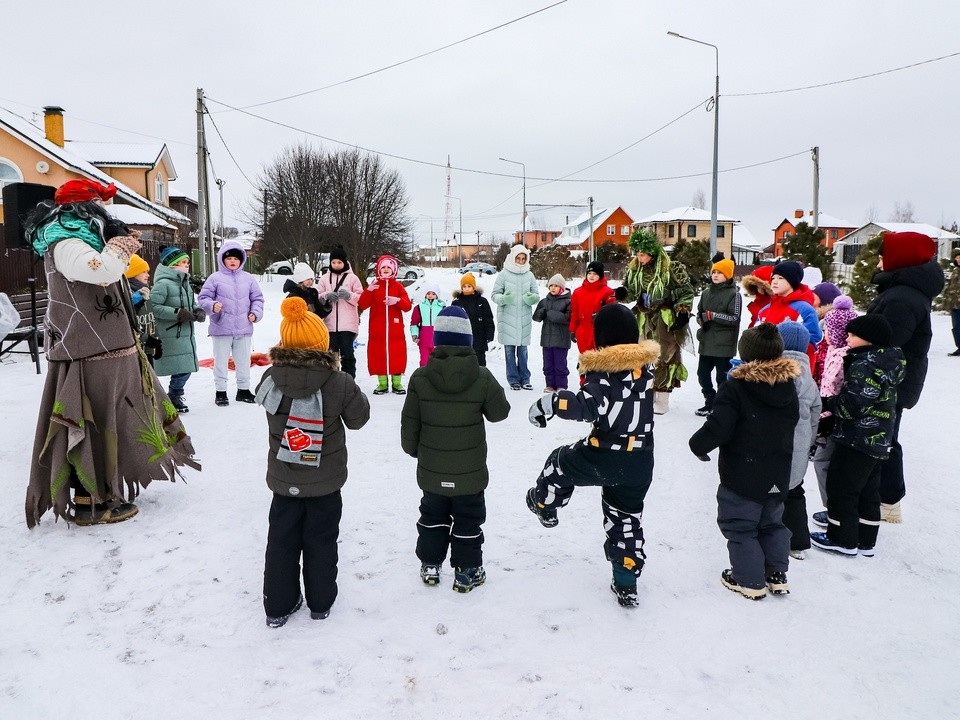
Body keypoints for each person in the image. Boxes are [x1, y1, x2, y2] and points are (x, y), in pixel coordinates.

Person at [24, 179, 198, 527]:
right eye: (99, 209)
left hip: (109, 350)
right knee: (94, 426)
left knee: (114, 424)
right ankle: (92, 501)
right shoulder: (66, 242)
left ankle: (107, 491)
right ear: (84, 210)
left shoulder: (82, 239)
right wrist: (120, 242)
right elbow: (102, 272)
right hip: (88, 355)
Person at [526, 303, 659, 608]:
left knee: (560, 462)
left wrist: (551, 404)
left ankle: (545, 502)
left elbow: (587, 407)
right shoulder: (645, 371)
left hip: (604, 455)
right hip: (640, 460)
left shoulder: (604, 373)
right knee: (625, 520)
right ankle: (626, 582)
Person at [256, 297, 370, 627]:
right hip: (325, 482)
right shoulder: (338, 383)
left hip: (283, 480)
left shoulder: (270, 379)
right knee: (321, 542)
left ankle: (278, 606)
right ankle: (321, 602)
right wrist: (347, 386)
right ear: (323, 344)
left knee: (280, 542)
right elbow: (359, 419)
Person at [400, 306, 510, 592]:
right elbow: (500, 413)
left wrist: (414, 450)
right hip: (469, 472)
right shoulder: (482, 376)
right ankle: (467, 569)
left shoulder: (420, 377)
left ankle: (430, 564)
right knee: (468, 519)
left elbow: (410, 422)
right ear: (468, 341)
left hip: (432, 469)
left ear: (436, 340)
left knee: (432, 516)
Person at [689, 323, 800, 600]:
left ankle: (748, 580)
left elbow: (719, 426)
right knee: (772, 523)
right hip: (777, 473)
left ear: (746, 353)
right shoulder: (787, 387)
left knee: (740, 525)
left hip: (742, 475)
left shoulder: (736, 387)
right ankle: (776, 574)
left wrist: (698, 444)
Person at [810, 314, 904, 556]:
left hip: (857, 438)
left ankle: (841, 538)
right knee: (868, 489)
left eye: (852, 335)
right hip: (879, 438)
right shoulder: (888, 361)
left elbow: (854, 404)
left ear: (868, 339)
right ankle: (866, 539)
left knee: (842, 486)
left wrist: (828, 403)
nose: (847, 339)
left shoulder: (865, 364)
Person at [866, 231, 943, 522]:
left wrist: (855, 330)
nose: (879, 259)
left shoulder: (902, 297)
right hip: (893, 379)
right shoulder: (902, 291)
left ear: (901, 258)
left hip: (890, 381)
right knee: (883, 437)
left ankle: (887, 501)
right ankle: (884, 499)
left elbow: (889, 338)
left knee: (882, 439)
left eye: (884, 254)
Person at [617, 228, 695, 414]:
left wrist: (683, 309)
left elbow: (686, 290)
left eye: (642, 254)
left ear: (651, 252)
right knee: (643, 354)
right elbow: (631, 292)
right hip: (644, 315)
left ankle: (662, 397)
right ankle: (646, 392)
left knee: (665, 355)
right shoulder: (634, 269)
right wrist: (622, 294)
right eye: (637, 253)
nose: (639, 257)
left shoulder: (670, 267)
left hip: (664, 316)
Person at [198, 241, 264, 406]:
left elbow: (257, 299)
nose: (233, 261)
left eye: (236, 258)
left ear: (241, 260)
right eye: (229, 258)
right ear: (222, 259)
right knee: (220, 361)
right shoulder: (215, 278)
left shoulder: (248, 279)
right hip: (221, 327)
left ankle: (243, 390)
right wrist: (212, 306)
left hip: (244, 328)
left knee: (243, 361)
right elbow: (203, 298)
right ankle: (221, 392)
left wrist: (255, 314)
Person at [776, 321, 821, 560]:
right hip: (799, 446)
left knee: (771, 492)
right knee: (794, 492)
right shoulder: (810, 378)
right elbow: (816, 412)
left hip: (777, 446)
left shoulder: (777, 374)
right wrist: (808, 442)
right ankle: (799, 542)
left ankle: (769, 535)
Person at [811, 295, 859, 510]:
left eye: (828, 330)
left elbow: (834, 389)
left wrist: (825, 418)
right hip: (830, 416)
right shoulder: (833, 352)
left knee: (823, 463)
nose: (825, 334)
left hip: (834, 420)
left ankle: (834, 509)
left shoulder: (842, 357)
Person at [151, 246, 204, 413]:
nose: (187, 265)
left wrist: (197, 310)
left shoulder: (185, 282)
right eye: (183, 262)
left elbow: (190, 303)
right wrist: (177, 313)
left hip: (185, 334)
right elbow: (153, 307)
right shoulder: (162, 284)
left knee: (186, 367)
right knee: (166, 368)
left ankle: (174, 395)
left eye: (188, 262)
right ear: (172, 264)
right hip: (169, 334)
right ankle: (157, 398)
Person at [358, 254, 412, 395]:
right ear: (379, 270)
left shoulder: (398, 287)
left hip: (395, 330)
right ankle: (382, 384)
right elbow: (362, 305)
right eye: (383, 267)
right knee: (378, 355)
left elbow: (407, 306)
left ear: (394, 270)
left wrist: (397, 301)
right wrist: (368, 291)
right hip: (378, 329)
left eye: (389, 267)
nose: (386, 269)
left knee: (397, 354)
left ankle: (397, 383)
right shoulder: (374, 286)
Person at [694, 258, 742, 416]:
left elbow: (734, 318)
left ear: (728, 275)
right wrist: (701, 318)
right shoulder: (706, 292)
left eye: (719, 272)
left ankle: (721, 406)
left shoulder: (734, 295)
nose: (715, 275)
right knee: (702, 375)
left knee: (722, 379)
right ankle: (710, 401)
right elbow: (700, 312)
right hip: (706, 342)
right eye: (713, 272)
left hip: (724, 345)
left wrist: (713, 316)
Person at [756, 260, 823, 371]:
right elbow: (755, 338)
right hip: (765, 369)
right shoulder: (765, 310)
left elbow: (812, 340)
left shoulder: (804, 309)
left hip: (792, 370)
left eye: (780, 278)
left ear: (792, 281)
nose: (774, 282)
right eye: (773, 278)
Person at [491, 245, 539, 390]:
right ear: (513, 258)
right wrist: (504, 298)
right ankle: (513, 379)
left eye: (523, 259)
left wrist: (531, 299)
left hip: (523, 319)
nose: (520, 261)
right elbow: (494, 295)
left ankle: (525, 378)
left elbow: (536, 295)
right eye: (518, 258)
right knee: (509, 351)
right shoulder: (504, 274)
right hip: (507, 318)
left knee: (523, 351)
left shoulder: (529, 275)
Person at [316, 246, 363, 378]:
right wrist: (327, 295)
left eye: (339, 262)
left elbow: (361, 299)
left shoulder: (353, 278)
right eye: (334, 262)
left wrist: (349, 296)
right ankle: (332, 379)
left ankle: (349, 379)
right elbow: (318, 297)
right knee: (331, 354)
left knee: (347, 353)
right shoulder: (324, 278)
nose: (336, 265)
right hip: (329, 324)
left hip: (348, 324)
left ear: (345, 262)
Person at [532, 274, 572, 392]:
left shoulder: (568, 301)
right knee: (548, 365)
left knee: (560, 365)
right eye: (551, 286)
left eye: (556, 286)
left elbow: (568, 318)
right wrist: (541, 312)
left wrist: (551, 314)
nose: (553, 288)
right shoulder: (544, 301)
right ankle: (550, 385)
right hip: (547, 340)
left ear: (562, 287)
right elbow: (536, 318)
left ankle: (561, 386)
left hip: (561, 339)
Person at [124, 254, 163, 367]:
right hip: (135, 350)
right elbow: (128, 321)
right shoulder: (127, 293)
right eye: (143, 271)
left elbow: (151, 320)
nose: (148, 275)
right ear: (132, 272)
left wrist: (156, 342)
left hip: (148, 345)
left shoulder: (145, 292)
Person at [569, 260, 615, 353]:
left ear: (600, 275)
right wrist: (573, 330)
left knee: (599, 362)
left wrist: (600, 315)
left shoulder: (608, 292)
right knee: (586, 361)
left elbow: (612, 314)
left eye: (595, 273)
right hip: (583, 331)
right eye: (589, 273)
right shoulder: (578, 292)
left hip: (599, 332)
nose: (591, 276)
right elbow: (574, 312)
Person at [451, 272, 494, 366]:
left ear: (473, 287)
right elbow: (452, 321)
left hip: (479, 337)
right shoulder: (457, 303)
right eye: (464, 286)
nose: (466, 288)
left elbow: (488, 318)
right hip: (462, 338)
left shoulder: (482, 301)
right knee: (463, 362)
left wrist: (489, 334)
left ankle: (480, 378)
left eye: (469, 286)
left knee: (479, 361)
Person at [410, 284, 446, 367]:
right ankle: (424, 376)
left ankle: (437, 377)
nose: (430, 295)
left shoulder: (442, 307)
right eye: (428, 293)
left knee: (437, 360)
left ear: (437, 295)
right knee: (424, 360)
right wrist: (415, 335)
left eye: (433, 294)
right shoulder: (419, 307)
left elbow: (445, 323)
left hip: (437, 339)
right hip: (423, 338)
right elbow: (414, 323)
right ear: (425, 294)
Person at [740, 265, 774, 329]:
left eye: (763, 287)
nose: (759, 290)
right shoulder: (758, 301)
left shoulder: (773, 304)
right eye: (757, 286)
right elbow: (753, 323)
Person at [948, 251, 960, 357]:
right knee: (956, 327)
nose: (958, 259)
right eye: (957, 258)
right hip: (954, 304)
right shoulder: (955, 270)